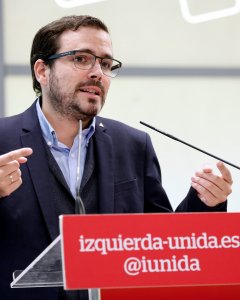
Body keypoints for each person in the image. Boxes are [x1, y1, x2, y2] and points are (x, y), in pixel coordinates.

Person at [0, 15, 232, 300]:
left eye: (106, 64)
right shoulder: (2, 141)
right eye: (81, 59)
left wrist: (205, 202)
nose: (98, 72)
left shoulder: (133, 145)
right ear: (42, 71)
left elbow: (162, 247)